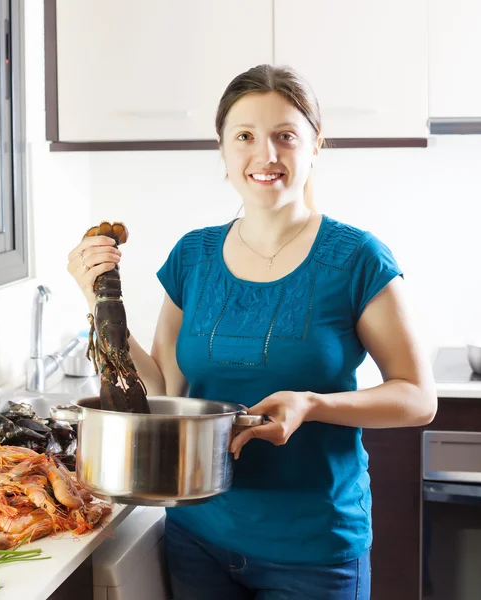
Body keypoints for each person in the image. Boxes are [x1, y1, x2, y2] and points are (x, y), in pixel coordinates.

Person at [67, 64, 437, 600]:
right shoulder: (192, 256)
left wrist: (312, 404)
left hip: (313, 550)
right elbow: (166, 393)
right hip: (198, 536)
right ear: (223, 149)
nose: (266, 155)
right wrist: (96, 297)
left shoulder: (357, 258)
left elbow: (418, 398)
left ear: (314, 147)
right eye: (245, 136)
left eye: (285, 136)